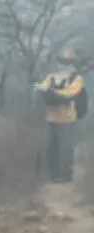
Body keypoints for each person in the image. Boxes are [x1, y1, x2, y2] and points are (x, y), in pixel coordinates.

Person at [34, 48, 85, 183]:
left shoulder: (76, 78)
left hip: (67, 119)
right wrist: (47, 91)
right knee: (51, 149)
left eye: (67, 62)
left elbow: (71, 93)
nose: (64, 64)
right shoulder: (51, 77)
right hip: (51, 118)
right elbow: (42, 88)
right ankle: (54, 175)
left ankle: (67, 176)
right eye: (62, 61)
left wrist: (53, 92)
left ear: (72, 63)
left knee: (66, 148)